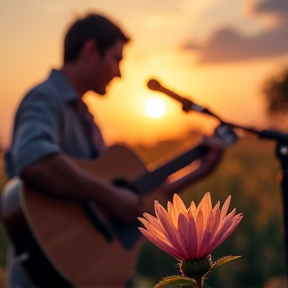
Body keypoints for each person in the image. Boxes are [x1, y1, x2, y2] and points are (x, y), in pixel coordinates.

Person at [3, 13, 224, 288]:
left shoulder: (88, 120)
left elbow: (131, 199)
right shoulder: (45, 98)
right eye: (116, 59)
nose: (119, 73)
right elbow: (35, 160)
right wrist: (109, 194)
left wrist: (197, 172)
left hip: (86, 271)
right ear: (91, 51)